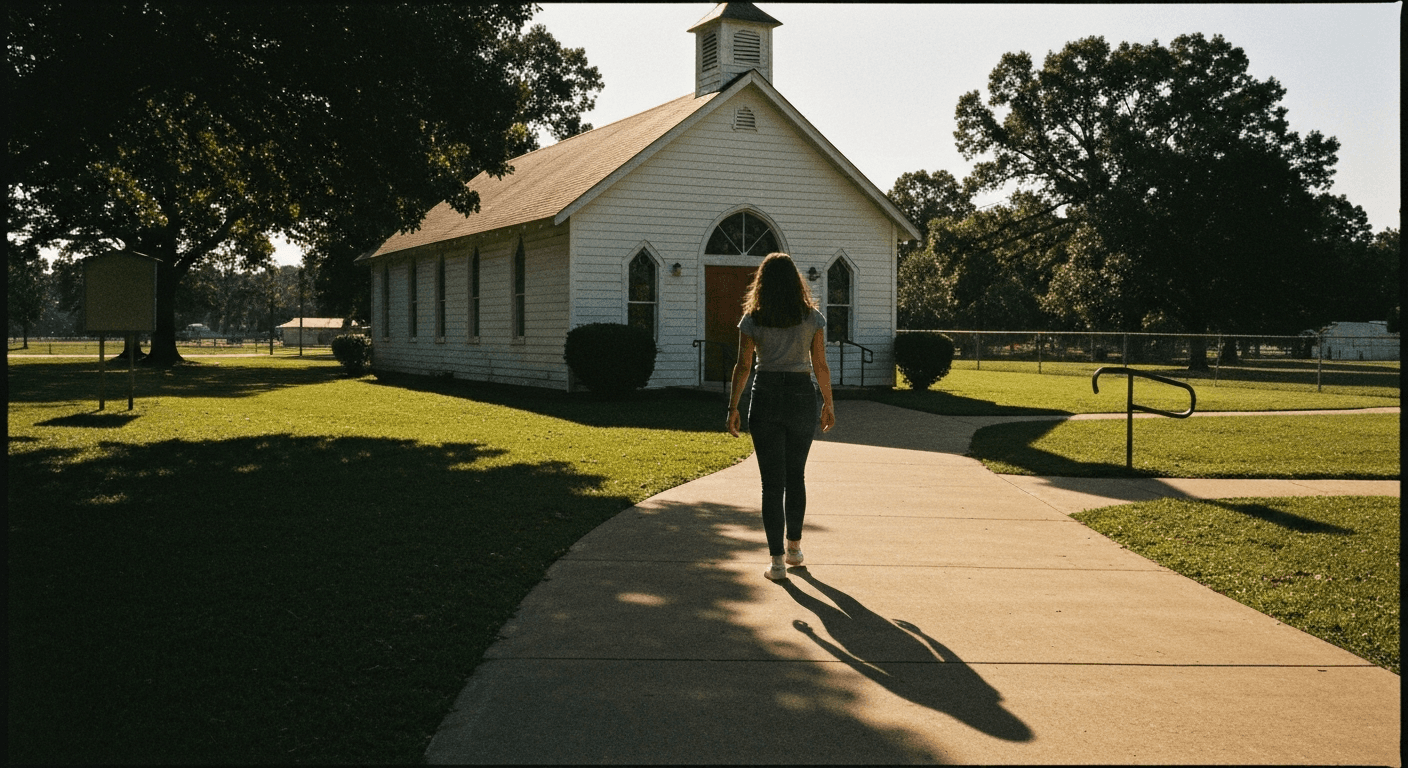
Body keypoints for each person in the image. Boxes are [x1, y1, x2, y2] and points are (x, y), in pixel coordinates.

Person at [726, 252, 836, 581]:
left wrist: (733, 406)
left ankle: (776, 563)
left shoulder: (752, 319)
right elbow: (820, 364)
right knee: (796, 477)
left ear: (762, 283)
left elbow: (744, 366)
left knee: (771, 485)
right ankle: (795, 549)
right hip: (802, 395)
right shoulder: (812, 318)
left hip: (766, 395)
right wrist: (828, 403)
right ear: (795, 281)